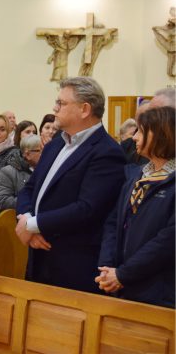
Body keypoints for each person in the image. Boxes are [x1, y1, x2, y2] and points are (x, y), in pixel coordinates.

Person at [15, 77, 125, 293]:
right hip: (39, 254)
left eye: (62, 103)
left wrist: (32, 225)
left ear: (84, 109)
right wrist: (25, 218)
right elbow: (30, 188)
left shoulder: (106, 152)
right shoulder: (56, 144)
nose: (55, 108)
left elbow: (87, 209)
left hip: (72, 263)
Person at [97, 107, 174, 308]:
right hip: (122, 283)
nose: (134, 138)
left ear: (160, 134)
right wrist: (108, 268)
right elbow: (114, 222)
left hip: (159, 291)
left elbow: (167, 242)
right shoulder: (136, 176)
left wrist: (123, 274)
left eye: (140, 131)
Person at [0, 134, 42, 210]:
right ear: (27, 154)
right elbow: (0, 200)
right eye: (39, 150)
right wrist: (30, 202)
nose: (44, 153)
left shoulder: (47, 169)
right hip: (17, 219)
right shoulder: (8, 172)